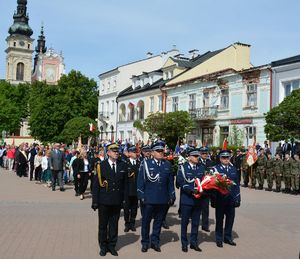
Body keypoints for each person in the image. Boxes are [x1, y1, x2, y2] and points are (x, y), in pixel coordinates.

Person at [137, 140, 175, 253]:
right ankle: (145, 242)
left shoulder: (167, 164)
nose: (161, 153)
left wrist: (172, 195)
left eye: (162, 151)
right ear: (152, 153)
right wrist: (141, 195)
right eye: (158, 151)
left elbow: (170, 183)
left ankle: (155, 242)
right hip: (148, 198)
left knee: (158, 222)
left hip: (163, 199)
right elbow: (140, 182)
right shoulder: (146, 164)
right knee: (146, 222)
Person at [91, 143, 128, 257]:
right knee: (103, 225)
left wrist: (124, 201)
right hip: (104, 201)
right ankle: (103, 246)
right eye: (114, 151)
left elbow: (125, 185)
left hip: (116, 201)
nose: (116, 153)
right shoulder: (101, 166)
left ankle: (112, 245)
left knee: (114, 225)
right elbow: (96, 185)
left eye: (117, 151)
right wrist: (95, 201)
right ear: (108, 153)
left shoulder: (123, 165)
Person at [176, 147, 205, 252]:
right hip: (187, 199)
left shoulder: (201, 168)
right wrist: (191, 190)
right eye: (195, 156)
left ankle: (194, 242)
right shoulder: (183, 168)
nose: (198, 157)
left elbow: (204, 182)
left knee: (196, 222)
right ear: (189, 157)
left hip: (198, 200)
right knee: (184, 222)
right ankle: (184, 243)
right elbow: (180, 182)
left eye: (198, 156)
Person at [213, 150, 240, 248]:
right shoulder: (215, 169)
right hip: (220, 199)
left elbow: (236, 184)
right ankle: (219, 238)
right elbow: (212, 187)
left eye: (227, 157)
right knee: (219, 220)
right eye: (224, 158)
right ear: (220, 159)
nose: (226, 159)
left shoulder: (233, 169)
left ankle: (228, 237)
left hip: (231, 199)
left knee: (230, 219)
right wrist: (213, 200)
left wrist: (238, 198)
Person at [124, 145, 140, 232]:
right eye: (134, 152)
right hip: (127, 190)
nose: (136, 154)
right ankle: (127, 224)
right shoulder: (125, 163)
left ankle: (132, 223)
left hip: (136, 190)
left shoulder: (139, 163)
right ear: (129, 153)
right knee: (126, 208)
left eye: (136, 152)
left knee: (134, 208)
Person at [198, 146, 213, 232]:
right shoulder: (197, 162)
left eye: (206, 153)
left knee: (205, 208)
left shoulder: (210, 162)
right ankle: (195, 222)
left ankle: (205, 225)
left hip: (207, 188)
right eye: (203, 153)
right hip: (198, 187)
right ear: (200, 154)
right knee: (196, 207)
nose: (204, 155)